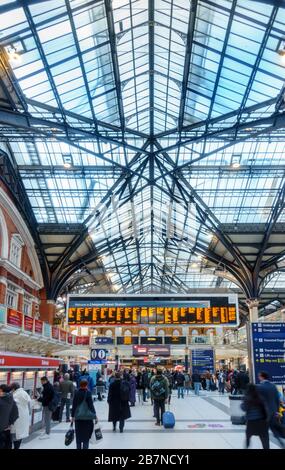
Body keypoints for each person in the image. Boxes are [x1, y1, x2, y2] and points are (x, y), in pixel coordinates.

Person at [257, 371, 285, 448]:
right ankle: (281, 442)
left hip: (264, 414)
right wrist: (277, 411)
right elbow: (277, 400)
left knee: (263, 432)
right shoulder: (273, 386)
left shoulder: (260, 387)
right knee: (274, 429)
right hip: (273, 412)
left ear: (262, 377)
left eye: (259, 376)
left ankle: (266, 447)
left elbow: (258, 401)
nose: (258, 378)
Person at [241, 384, 269, 449]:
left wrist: (242, 403)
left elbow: (244, 408)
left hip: (251, 422)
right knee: (264, 439)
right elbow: (265, 408)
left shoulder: (247, 398)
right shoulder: (260, 397)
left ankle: (247, 447)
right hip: (261, 422)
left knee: (248, 437)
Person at [71, 379, 97, 449]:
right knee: (86, 436)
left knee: (78, 435)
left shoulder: (76, 393)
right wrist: (95, 415)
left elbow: (74, 405)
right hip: (87, 418)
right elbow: (91, 405)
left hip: (78, 417)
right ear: (86, 385)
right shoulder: (88, 393)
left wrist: (72, 416)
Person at [9, 382, 31, 449]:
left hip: (17, 419)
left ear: (13, 388)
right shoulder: (24, 393)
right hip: (24, 418)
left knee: (15, 435)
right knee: (19, 436)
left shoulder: (15, 395)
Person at [0, 384, 19, 449]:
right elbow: (16, 414)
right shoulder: (11, 400)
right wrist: (9, 423)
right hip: (7, 429)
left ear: (1, 390)